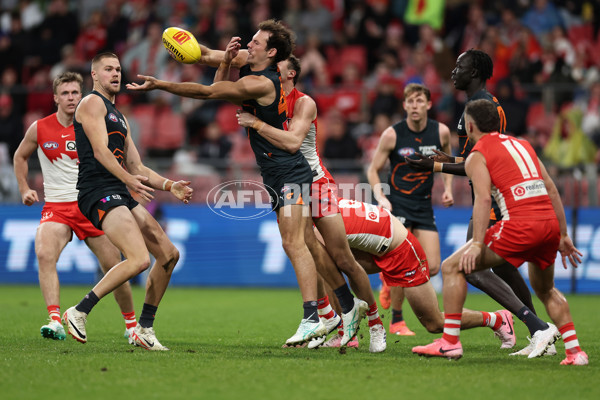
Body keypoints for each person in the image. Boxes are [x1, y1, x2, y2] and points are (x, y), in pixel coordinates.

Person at [127, 20, 361, 346]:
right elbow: (213, 71)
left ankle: (313, 316)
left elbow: (209, 92)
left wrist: (160, 85)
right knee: (307, 244)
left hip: (290, 172)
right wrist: (225, 59)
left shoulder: (261, 83)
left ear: (272, 52)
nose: (249, 44)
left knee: (294, 243)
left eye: (256, 42)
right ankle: (347, 308)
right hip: (279, 173)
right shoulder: (252, 69)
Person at [413, 100, 587, 366]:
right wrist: (563, 234)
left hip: (520, 225)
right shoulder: (524, 145)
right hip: (549, 225)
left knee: (453, 267)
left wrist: (476, 244)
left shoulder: (478, 154)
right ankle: (576, 353)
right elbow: (551, 188)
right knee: (546, 289)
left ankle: (449, 344)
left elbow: (482, 200)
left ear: (470, 126)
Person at [407, 49, 555, 356]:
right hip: (491, 195)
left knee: (471, 267)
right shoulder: (478, 104)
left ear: (474, 73)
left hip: (494, 199)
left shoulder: (481, 106)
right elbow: (472, 158)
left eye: (459, 67)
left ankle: (537, 327)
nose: (453, 72)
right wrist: (442, 158)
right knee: (503, 269)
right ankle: (539, 332)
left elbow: (483, 162)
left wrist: (434, 167)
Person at [236, 55, 384, 352]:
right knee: (303, 247)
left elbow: (292, 142)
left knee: (341, 257)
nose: (267, 73)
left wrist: (256, 124)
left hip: (315, 182)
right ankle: (332, 319)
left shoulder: (304, 102)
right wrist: (226, 59)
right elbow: (222, 91)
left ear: (290, 74)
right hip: (287, 183)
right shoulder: (263, 99)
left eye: (275, 69)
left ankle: (376, 322)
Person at [62, 53, 193, 351]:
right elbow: (100, 151)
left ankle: (144, 328)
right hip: (97, 190)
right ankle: (79, 311)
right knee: (139, 259)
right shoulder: (91, 103)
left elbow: (138, 166)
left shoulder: (119, 116)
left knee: (169, 255)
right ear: (94, 75)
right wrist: (129, 180)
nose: (115, 74)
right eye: (108, 69)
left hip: (118, 189)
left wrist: (169, 185)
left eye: (118, 69)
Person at [13, 71, 137, 342]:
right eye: (65, 93)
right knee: (45, 253)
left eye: (75, 93)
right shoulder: (39, 128)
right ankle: (55, 320)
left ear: (82, 97)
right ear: (55, 98)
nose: (71, 98)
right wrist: (24, 188)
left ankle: (131, 325)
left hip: (90, 203)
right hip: (56, 205)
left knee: (113, 265)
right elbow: (20, 156)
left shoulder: (92, 125)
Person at [313, 198, 516, 352]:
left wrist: (323, 313)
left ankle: (496, 319)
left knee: (433, 323)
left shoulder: (319, 227)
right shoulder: (322, 205)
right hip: (378, 247)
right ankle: (347, 332)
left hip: (403, 251)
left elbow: (347, 266)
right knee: (328, 267)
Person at [366, 83, 453, 336]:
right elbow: (372, 169)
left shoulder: (441, 132)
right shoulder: (393, 134)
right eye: (410, 101)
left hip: (424, 205)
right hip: (398, 204)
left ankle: (387, 280)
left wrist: (447, 188)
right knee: (401, 264)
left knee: (433, 266)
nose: (415, 106)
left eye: (419, 101)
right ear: (404, 105)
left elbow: (448, 163)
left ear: (428, 104)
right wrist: (380, 196)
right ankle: (397, 321)